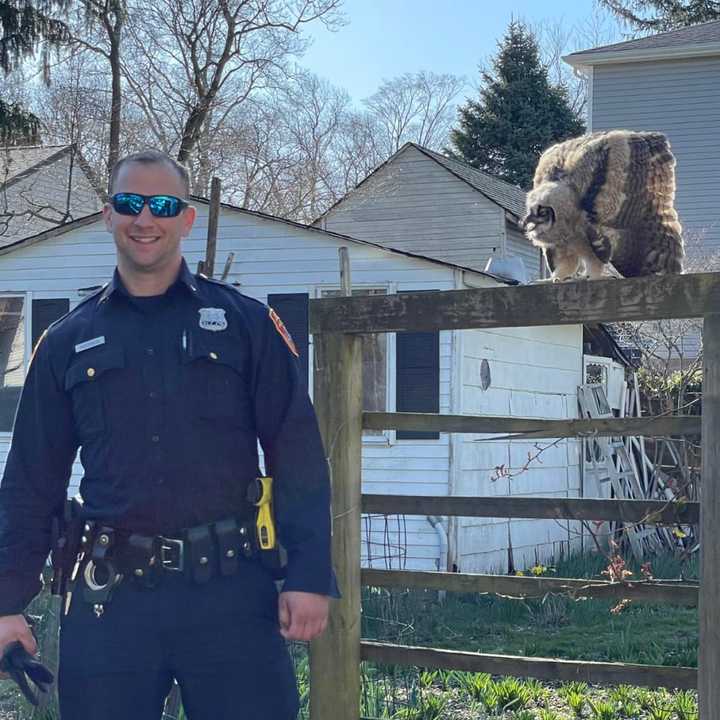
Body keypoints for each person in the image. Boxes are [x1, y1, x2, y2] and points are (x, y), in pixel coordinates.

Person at [0, 149, 336, 719]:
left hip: (232, 595)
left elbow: (296, 451)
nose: (145, 219)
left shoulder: (245, 325)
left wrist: (307, 574)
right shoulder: (65, 342)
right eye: (130, 203)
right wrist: (7, 601)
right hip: (112, 599)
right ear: (108, 215)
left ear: (187, 219)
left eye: (162, 204)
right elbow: (31, 478)